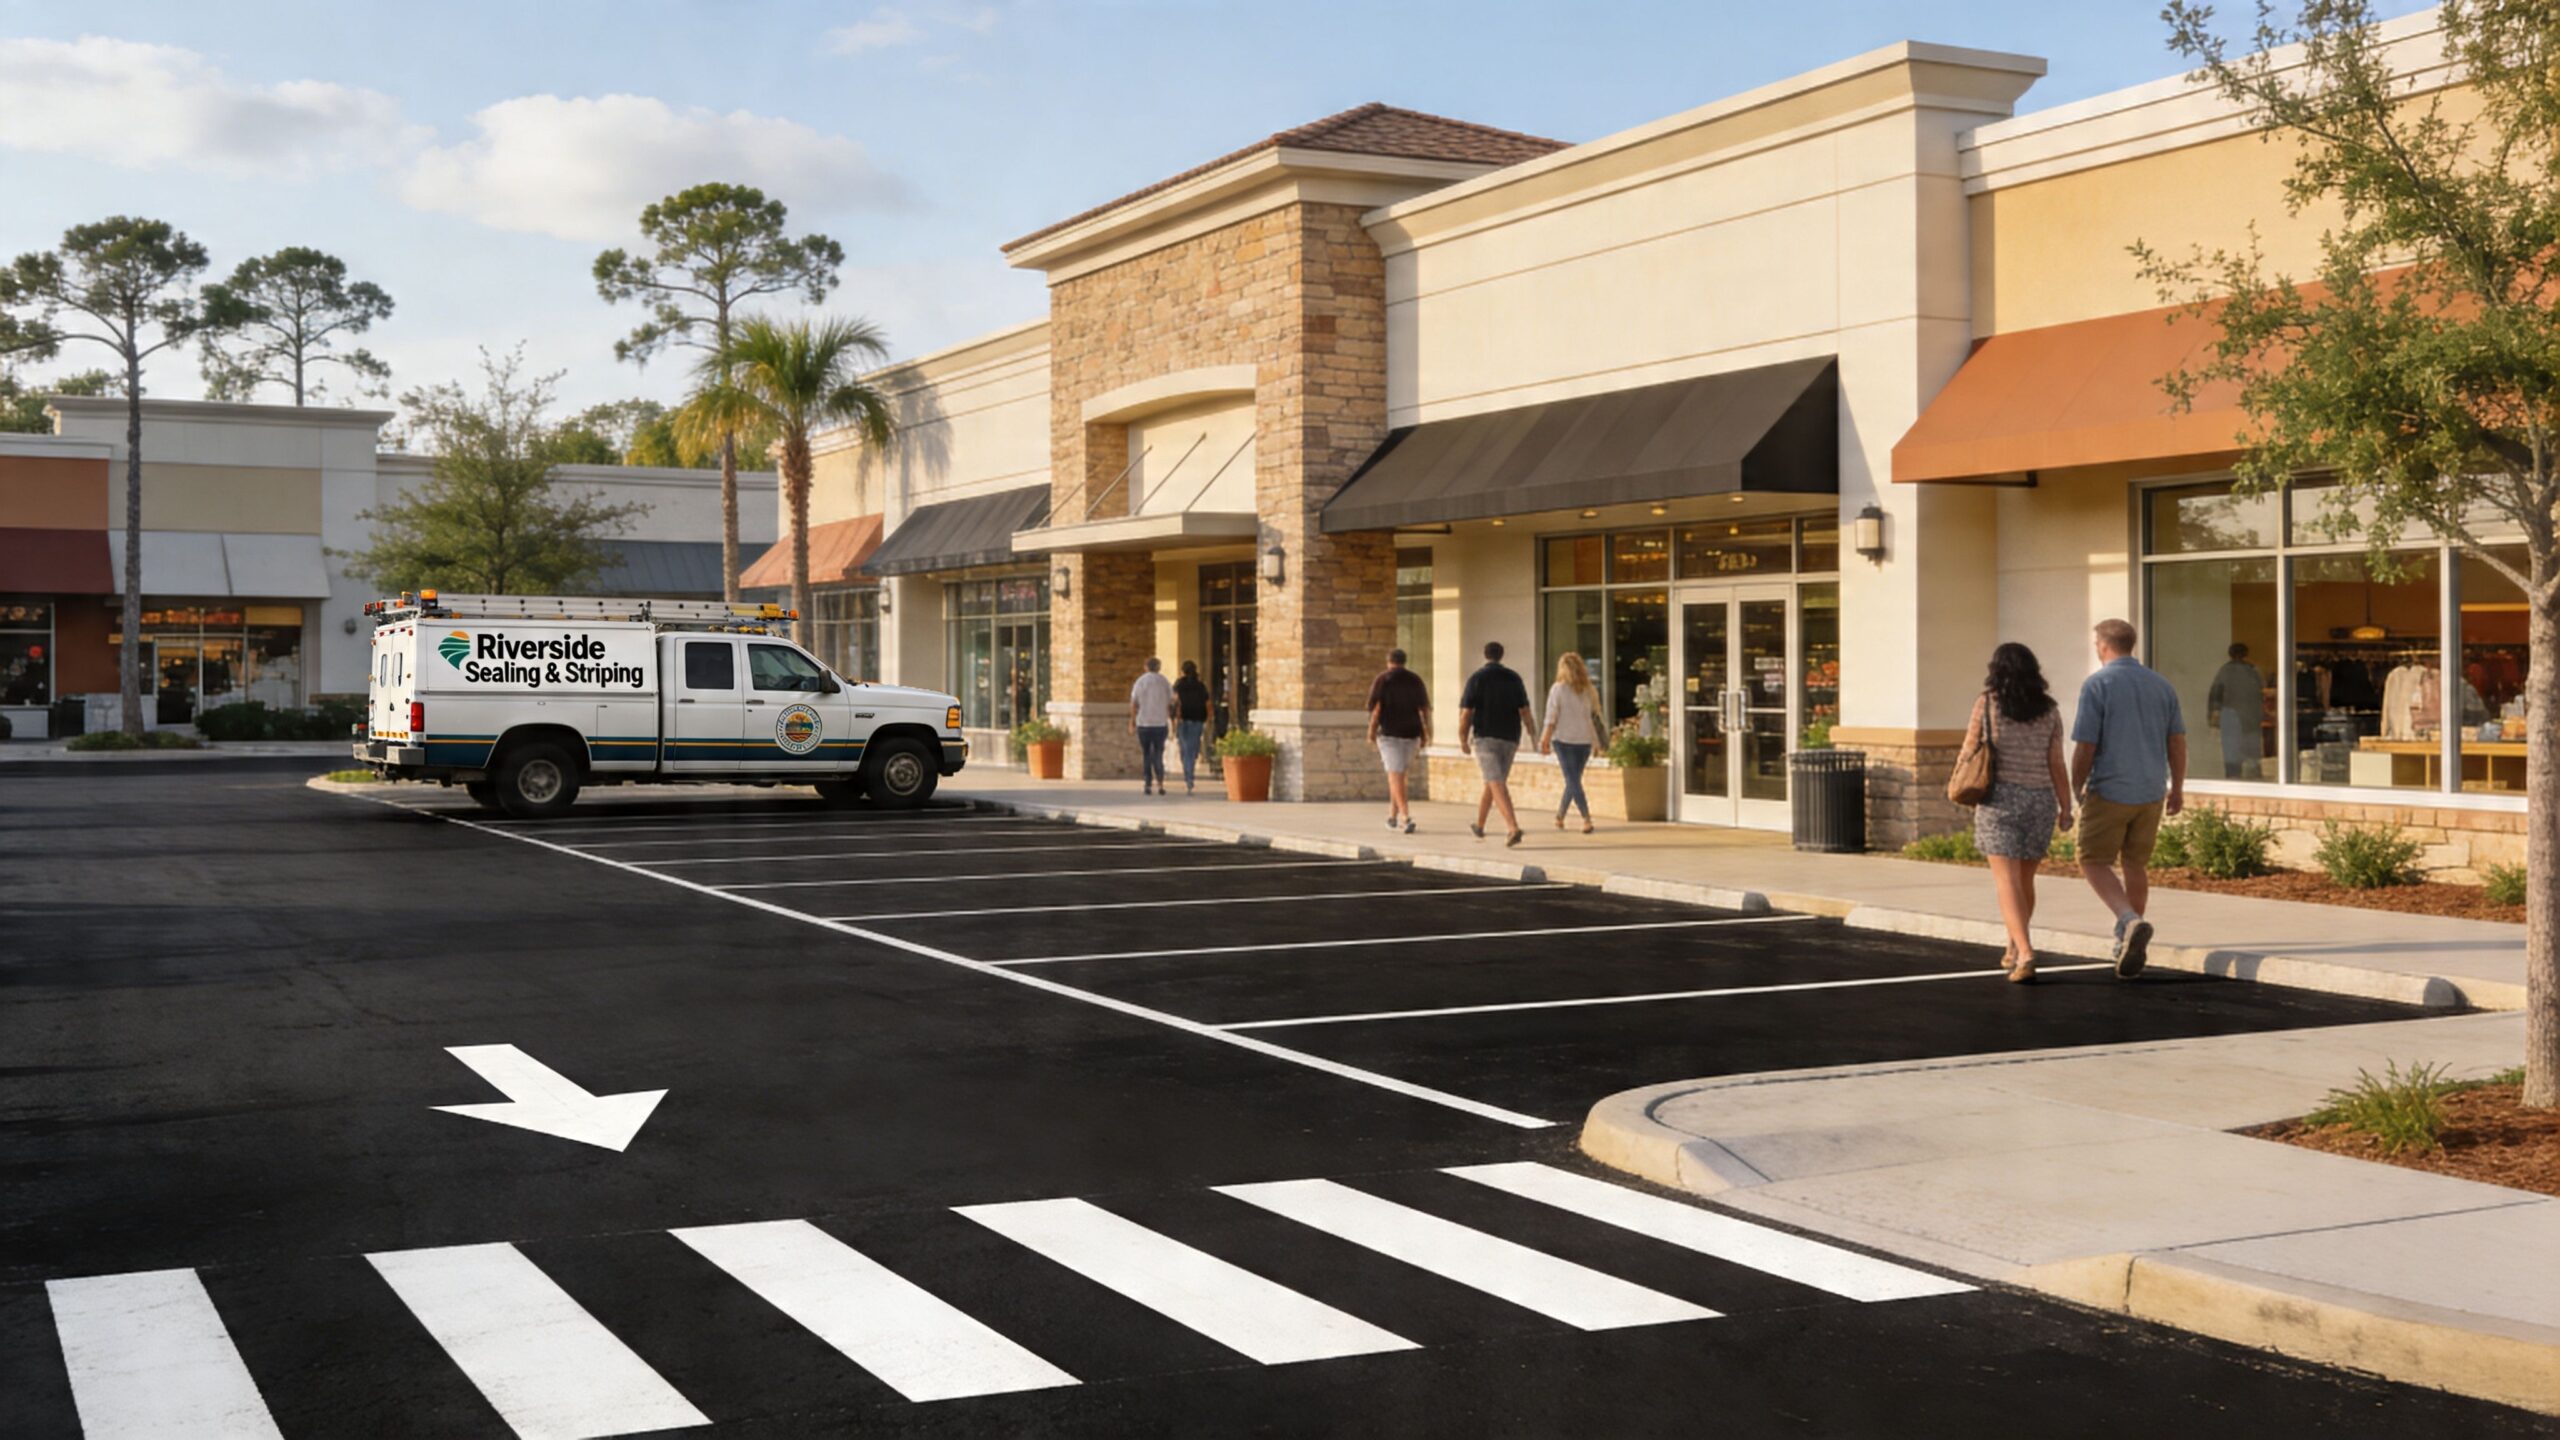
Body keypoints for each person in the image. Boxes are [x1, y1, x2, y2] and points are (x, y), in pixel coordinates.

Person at [2070, 618, 2186, 978]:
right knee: (2135, 864)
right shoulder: (2161, 685)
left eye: (2096, 643)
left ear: (2103, 645)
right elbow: (2177, 741)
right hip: (2151, 790)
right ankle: (2128, 940)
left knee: (2091, 859)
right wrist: (2177, 787)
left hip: (2111, 789)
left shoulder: (2097, 685)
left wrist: (2076, 785)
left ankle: (2128, 920)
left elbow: (2086, 744)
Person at [1962, 643, 2073, 983]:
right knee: (2024, 880)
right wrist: (2066, 806)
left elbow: (1969, 750)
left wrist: (1959, 783)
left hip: (2000, 798)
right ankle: (2013, 945)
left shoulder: (1987, 703)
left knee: (2006, 881)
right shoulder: (2049, 709)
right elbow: (2056, 762)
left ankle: (2025, 952)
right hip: (2040, 800)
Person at [1457, 639, 1537, 847]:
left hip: (1485, 737)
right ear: (1501, 655)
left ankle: (1512, 827)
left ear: (1486, 655)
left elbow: (1466, 713)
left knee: (1495, 781)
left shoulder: (1477, 678)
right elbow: (1525, 710)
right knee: (1494, 781)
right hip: (1510, 736)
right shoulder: (1514, 678)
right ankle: (1480, 824)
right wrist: (1532, 733)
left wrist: (1462, 738)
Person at [1366, 648, 1431, 833]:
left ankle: (1405, 817)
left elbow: (1375, 709)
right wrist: (1426, 734)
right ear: (1404, 661)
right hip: (1412, 733)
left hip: (1389, 734)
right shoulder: (1415, 680)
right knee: (1399, 776)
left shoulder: (1382, 679)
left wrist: (1371, 732)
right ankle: (1392, 817)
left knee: (1396, 776)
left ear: (1389, 661)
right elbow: (1424, 710)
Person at [1539, 652, 1603, 834]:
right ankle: (1560, 816)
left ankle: (1586, 818)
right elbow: (1590, 719)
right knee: (1574, 780)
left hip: (1563, 740)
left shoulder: (1557, 689)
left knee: (1572, 781)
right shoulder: (1588, 690)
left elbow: (1551, 717)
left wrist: (1544, 739)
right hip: (1583, 741)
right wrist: (1595, 742)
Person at [2206, 642, 2265, 779]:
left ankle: (2233, 781)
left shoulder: (2224, 671)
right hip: (2249, 718)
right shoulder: (2252, 672)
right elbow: (2260, 695)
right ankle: (2254, 781)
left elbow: (2215, 696)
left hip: (2231, 717)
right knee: (2252, 755)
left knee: (2232, 755)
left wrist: (2213, 720)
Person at [1128, 657, 1174, 796]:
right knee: (1158, 754)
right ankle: (1160, 783)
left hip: (1144, 723)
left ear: (1145, 667)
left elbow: (1134, 703)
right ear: (1159, 667)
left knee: (1146, 754)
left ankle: (1148, 783)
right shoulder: (1164, 681)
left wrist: (1132, 721)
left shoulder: (1140, 682)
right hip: (1160, 723)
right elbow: (1172, 700)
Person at [1171, 659, 1213, 794]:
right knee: (1193, 749)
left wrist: (1174, 721)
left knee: (1184, 749)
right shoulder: (1200, 685)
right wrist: (1209, 718)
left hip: (1183, 720)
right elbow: (1208, 703)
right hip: (1197, 720)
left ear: (1183, 671)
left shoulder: (1179, 684)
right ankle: (1190, 774)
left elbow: (1175, 702)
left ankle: (1188, 775)